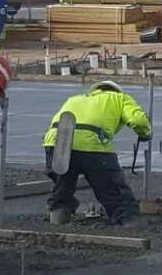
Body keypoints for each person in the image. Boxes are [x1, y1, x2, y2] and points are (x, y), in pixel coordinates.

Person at [42, 80, 152, 225]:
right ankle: (128, 221)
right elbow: (138, 120)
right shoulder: (120, 98)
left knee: (64, 184)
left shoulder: (74, 99)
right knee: (112, 189)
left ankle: (58, 217)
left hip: (57, 143)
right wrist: (145, 133)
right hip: (93, 145)